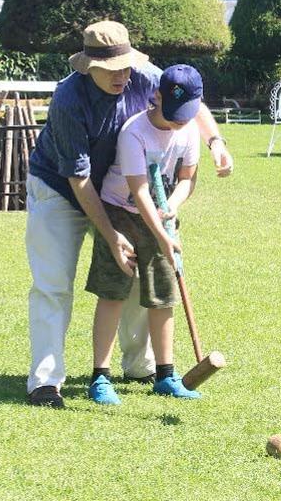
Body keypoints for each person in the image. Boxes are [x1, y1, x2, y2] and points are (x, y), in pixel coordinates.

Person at [26, 20, 233, 408]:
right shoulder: (69, 99)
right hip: (61, 188)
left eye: (126, 66)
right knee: (53, 284)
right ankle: (45, 381)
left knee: (139, 278)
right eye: (111, 70)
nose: (122, 75)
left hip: (119, 192)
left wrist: (215, 142)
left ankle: (141, 365)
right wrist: (110, 236)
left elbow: (192, 102)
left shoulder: (142, 76)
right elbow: (80, 180)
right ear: (89, 67)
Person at [86, 64, 204, 405]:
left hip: (161, 215)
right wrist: (164, 238)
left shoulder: (189, 129)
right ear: (157, 97)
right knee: (113, 291)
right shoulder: (133, 132)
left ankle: (166, 375)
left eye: (185, 114)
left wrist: (173, 206)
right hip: (120, 213)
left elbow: (187, 177)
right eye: (174, 113)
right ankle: (100, 377)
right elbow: (138, 192)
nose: (179, 121)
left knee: (164, 294)